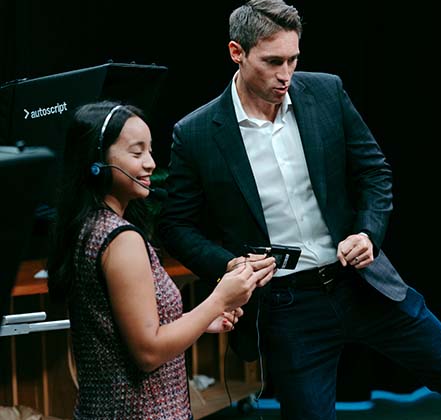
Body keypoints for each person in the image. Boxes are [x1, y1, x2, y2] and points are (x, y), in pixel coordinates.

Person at [157, 0, 441, 420]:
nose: (286, 74)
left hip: (362, 283)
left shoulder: (325, 91)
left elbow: (374, 172)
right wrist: (230, 266)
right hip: (287, 305)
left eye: (293, 59)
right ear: (237, 53)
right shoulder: (196, 133)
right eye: (272, 62)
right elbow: (175, 225)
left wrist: (367, 233)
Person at [47, 100, 275, 420]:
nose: (151, 163)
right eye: (137, 152)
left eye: (150, 151)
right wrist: (218, 299)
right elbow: (148, 352)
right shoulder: (121, 239)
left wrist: (199, 322)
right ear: (97, 160)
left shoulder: (86, 226)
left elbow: (125, 330)